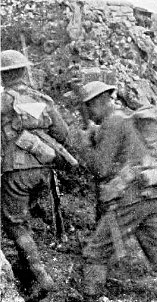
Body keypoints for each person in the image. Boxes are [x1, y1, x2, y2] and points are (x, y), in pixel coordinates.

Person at [73, 81, 157, 301]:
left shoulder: (113, 122)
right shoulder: (125, 119)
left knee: (95, 253)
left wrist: (84, 145)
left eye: (89, 107)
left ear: (99, 102)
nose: (89, 114)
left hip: (130, 199)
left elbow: (100, 168)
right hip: (150, 195)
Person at [1, 50, 70, 297]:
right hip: (44, 170)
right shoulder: (41, 99)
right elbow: (63, 135)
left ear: (3, 76)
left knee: (15, 224)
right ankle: (26, 268)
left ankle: (41, 275)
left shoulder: (4, 102)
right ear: (23, 71)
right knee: (23, 220)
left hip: (16, 171)